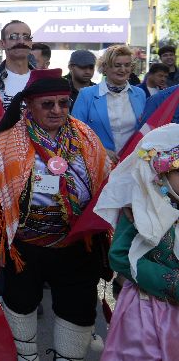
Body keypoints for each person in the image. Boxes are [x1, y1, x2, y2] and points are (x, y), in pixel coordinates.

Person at [0, 69, 111, 361]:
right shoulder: (5, 142)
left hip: (78, 243)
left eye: (63, 103)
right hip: (25, 245)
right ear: (29, 105)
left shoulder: (87, 138)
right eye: (48, 104)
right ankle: (26, 357)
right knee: (20, 303)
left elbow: (106, 184)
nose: (57, 110)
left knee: (78, 308)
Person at [93, 124, 179, 360]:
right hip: (148, 311)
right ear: (162, 173)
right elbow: (119, 256)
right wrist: (171, 282)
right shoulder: (141, 208)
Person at [72, 45, 147, 163]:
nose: (123, 69)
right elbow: (75, 131)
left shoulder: (139, 94)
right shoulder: (86, 94)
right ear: (105, 67)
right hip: (99, 163)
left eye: (127, 65)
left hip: (132, 162)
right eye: (117, 65)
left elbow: (144, 129)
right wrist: (100, 150)